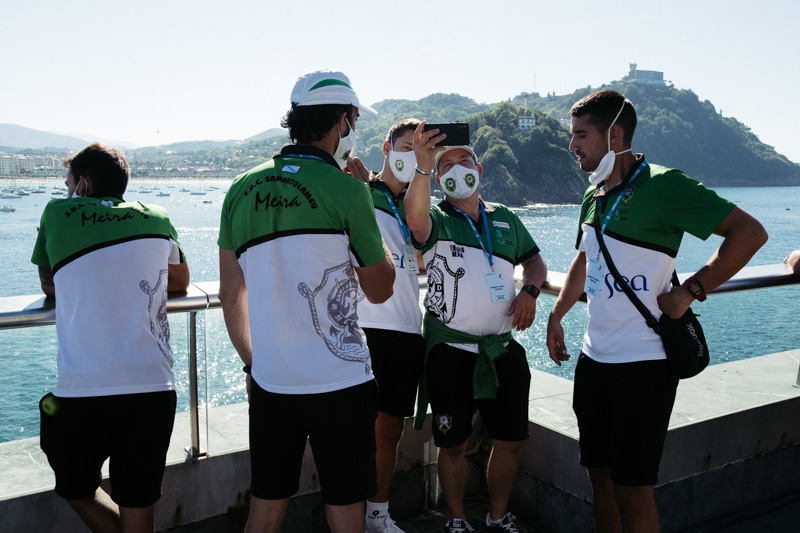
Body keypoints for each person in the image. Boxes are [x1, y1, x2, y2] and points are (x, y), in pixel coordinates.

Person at [546, 90, 768, 532]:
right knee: (599, 476)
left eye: (580, 135)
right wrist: (558, 313)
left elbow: (749, 233)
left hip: (644, 364)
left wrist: (691, 290)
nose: (572, 145)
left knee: (634, 488)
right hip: (595, 361)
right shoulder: (594, 196)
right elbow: (586, 259)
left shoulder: (665, 185)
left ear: (615, 135)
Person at [217, 69, 396, 533]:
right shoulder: (349, 189)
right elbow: (380, 288)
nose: (353, 130)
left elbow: (229, 291)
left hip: (273, 380)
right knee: (344, 505)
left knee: (267, 503)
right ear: (341, 122)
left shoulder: (239, 189)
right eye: (354, 120)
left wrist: (253, 363)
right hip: (340, 381)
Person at [31, 142, 191, 533]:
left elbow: (49, 284)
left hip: (85, 388)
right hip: (153, 386)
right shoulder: (156, 215)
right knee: (138, 498)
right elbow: (181, 282)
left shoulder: (57, 212)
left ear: (82, 184)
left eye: (69, 183)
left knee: (75, 485)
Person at [405, 123, 548, 533]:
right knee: (451, 444)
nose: (455, 169)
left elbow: (534, 261)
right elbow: (414, 223)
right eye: (444, 165)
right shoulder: (435, 217)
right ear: (437, 177)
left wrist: (531, 292)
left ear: (479, 169)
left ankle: (498, 515)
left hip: (500, 350)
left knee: (508, 440)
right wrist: (421, 166)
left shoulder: (504, 218)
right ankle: (456, 519)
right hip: (450, 352)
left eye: (462, 161)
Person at [358, 118, 426, 533]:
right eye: (404, 147)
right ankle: (350, 518)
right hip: (362, 326)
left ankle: (378, 517)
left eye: (420, 153)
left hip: (405, 329)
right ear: (386, 146)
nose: (411, 157)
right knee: (356, 434)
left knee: (390, 433)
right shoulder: (359, 193)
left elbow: (420, 242)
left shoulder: (421, 206)